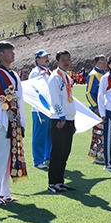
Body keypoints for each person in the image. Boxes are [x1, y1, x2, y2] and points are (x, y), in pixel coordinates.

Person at [0, 41, 27, 205]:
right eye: (9, 51)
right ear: (1, 54)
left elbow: (20, 100)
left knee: (9, 157)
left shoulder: (13, 75)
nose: (13, 54)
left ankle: (4, 192)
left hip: (14, 122)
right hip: (2, 122)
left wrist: (22, 122)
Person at [46, 49, 77, 192]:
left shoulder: (68, 78)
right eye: (63, 59)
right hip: (59, 119)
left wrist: (72, 119)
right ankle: (52, 183)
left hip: (69, 119)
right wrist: (62, 117)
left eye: (68, 59)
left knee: (66, 152)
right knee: (57, 152)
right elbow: (55, 100)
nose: (66, 61)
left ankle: (60, 180)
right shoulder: (55, 77)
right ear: (57, 62)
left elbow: (69, 99)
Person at [27, 49, 53, 170]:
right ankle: (38, 160)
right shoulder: (35, 72)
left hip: (51, 109)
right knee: (40, 135)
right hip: (39, 109)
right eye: (44, 57)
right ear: (37, 59)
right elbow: (32, 88)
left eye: (47, 56)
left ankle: (48, 157)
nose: (47, 58)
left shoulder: (50, 72)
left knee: (50, 134)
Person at [84, 55, 109, 164]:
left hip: (106, 108)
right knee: (99, 132)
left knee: (105, 132)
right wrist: (95, 107)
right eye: (102, 61)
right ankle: (98, 155)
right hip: (98, 109)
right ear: (96, 63)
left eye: (105, 61)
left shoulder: (106, 74)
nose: (104, 63)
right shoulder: (94, 75)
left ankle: (103, 153)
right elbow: (89, 93)